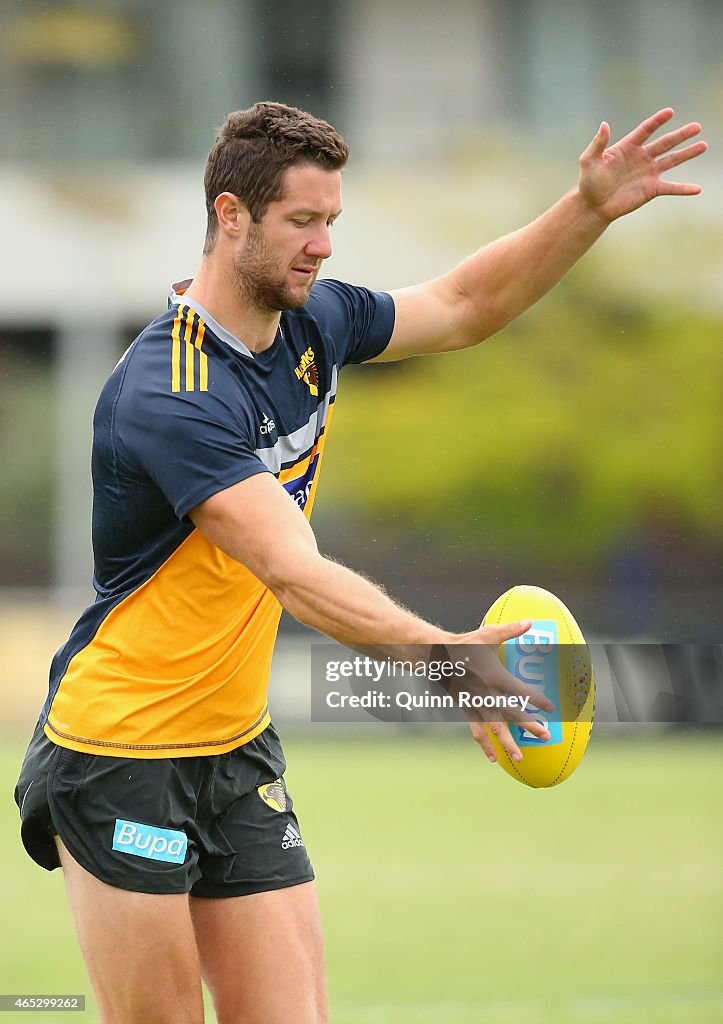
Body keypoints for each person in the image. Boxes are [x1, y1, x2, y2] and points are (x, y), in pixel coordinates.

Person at [15, 101, 705, 1024]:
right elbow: (291, 571)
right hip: (118, 754)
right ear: (231, 217)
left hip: (232, 749)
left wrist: (585, 210)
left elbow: (465, 307)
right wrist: (443, 658)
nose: (324, 247)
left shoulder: (314, 325)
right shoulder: (168, 393)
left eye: (331, 222)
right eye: (303, 222)